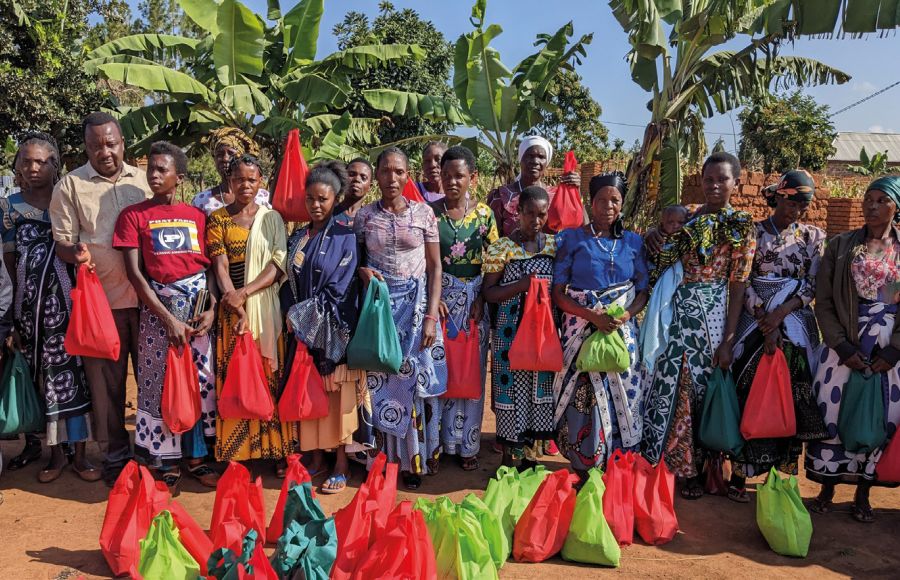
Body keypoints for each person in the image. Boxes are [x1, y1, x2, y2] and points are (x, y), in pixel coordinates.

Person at [641, 152, 756, 500]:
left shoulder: (741, 225)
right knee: (676, 387)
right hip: (677, 313)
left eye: (722, 179)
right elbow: (660, 241)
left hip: (714, 314)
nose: (714, 185)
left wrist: (729, 339)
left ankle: (709, 469)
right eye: (708, 179)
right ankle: (681, 469)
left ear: (736, 182)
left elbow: (739, 283)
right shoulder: (687, 218)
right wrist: (651, 232)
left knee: (710, 390)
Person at [50, 112, 151, 485]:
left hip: (147, 304)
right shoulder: (71, 186)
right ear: (86, 148)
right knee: (106, 389)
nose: (104, 152)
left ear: (123, 142)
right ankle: (115, 458)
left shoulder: (144, 181)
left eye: (110, 143)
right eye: (96, 146)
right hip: (100, 307)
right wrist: (74, 251)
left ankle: (152, 450)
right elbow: (60, 242)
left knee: (150, 380)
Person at [112, 142, 219, 491]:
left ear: (179, 176)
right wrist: (167, 318)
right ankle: (166, 459)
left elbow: (212, 271)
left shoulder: (199, 217)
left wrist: (212, 308)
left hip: (198, 311)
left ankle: (197, 457)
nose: (154, 175)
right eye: (151, 169)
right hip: (159, 312)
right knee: (160, 383)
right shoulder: (133, 216)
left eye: (162, 170)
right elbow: (135, 275)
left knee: (199, 383)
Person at [0, 134, 98, 482]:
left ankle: (80, 455)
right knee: (43, 379)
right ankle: (53, 455)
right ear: (17, 166)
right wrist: (13, 316)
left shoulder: (69, 197)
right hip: (31, 312)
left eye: (42, 161)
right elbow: (11, 262)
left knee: (77, 377)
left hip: (73, 309)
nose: (34, 168)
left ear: (55, 165)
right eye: (26, 161)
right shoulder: (9, 208)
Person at [806, 176, 900, 523]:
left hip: (888, 348)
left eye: (881, 200)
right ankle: (827, 487)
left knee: (882, 415)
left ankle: (864, 492)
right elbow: (825, 301)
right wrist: (843, 346)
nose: (872, 206)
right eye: (868, 199)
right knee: (833, 411)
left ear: (896, 207)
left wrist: (892, 353)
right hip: (843, 343)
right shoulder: (842, 246)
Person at [728, 170, 827, 502]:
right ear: (778, 197)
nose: (796, 209)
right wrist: (764, 319)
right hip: (755, 321)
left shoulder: (813, 237)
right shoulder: (754, 232)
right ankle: (740, 475)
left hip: (795, 324)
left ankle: (779, 476)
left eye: (803, 204)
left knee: (790, 398)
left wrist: (780, 315)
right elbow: (744, 278)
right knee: (749, 392)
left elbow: (812, 285)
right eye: (791, 200)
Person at [353, 146, 446, 490]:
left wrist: (432, 316)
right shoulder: (364, 217)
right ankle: (384, 461)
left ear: (408, 175)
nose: (391, 178)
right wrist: (363, 272)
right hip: (379, 312)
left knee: (416, 385)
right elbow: (357, 260)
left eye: (399, 171)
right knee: (380, 384)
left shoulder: (424, 215)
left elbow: (436, 267)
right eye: (385, 171)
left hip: (417, 309)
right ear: (376, 175)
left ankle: (414, 462)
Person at [551, 173, 649, 476]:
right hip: (581, 328)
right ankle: (585, 463)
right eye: (602, 200)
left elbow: (642, 289)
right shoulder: (571, 239)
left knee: (621, 390)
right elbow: (558, 291)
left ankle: (617, 465)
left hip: (620, 332)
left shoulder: (633, 242)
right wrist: (591, 316)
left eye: (615, 200)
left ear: (622, 204)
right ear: (590, 203)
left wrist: (626, 315)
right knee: (584, 395)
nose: (609, 206)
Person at [280, 161, 366, 494]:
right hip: (301, 333)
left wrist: (303, 320)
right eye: (311, 198)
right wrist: (291, 313)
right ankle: (315, 458)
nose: (316, 205)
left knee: (335, 397)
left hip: (333, 330)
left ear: (336, 199)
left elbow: (340, 289)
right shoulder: (299, 235)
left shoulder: (346, 236)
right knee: (309, 395)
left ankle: (341, 464)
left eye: (324, 199)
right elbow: (287, 278)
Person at [207, 154, 295, 472]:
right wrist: (235, 300)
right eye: (239, 179)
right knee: (237, 379)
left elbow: (277, 263)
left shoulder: (272, 219)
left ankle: (275, 450)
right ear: (229, 181)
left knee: (269, 376)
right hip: (232, 312)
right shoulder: (218, 220)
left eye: (251, 179)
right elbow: (220, 264)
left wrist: (245, 293)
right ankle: (237, 452)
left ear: (261, 183)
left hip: (265, 306)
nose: (245, 185)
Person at [431, 146, 499, 471]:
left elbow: (496, 258)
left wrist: (483, 297)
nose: (452, 182)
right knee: (442, 370)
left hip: (473, 304)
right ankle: (441, 443)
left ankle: (468, 445)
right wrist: (435, 298)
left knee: (472, 372)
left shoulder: (485, 215)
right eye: (446, 176)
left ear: (472, 177)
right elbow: (423, 262)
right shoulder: (430, 214)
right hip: (441, 304)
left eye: (459, 176)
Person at [482, 186, 558, 467]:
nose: (535, 222)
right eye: (529, 214)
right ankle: (508, 459)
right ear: (518, 213)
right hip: (509, 331)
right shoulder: (502, 247)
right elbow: (489, 292)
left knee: (539, 388)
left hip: (542, 332)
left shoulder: (553, 245)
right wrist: (522, 285)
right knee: (510, 391)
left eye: (541, 215)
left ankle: (530, 458)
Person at [486, 135, 581, 237]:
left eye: (541, 157)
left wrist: (576, 193)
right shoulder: (500, 196)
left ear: (547, 162)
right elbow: (492, 240)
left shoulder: (557, 196)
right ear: (520, 159)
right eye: (530, 156)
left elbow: (580, 230)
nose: (535, 161)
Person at [192, 127, 270, 215]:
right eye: (219, 154)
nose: (225, 158)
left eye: (231, 153)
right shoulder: (201, 200)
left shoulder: (263, 198)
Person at [334, 158, 373, 227]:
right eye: (351, 174)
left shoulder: (371, 221)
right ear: (343, 178)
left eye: (363, 177)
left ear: (370, 187)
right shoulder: (327, 213)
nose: (357, 179)